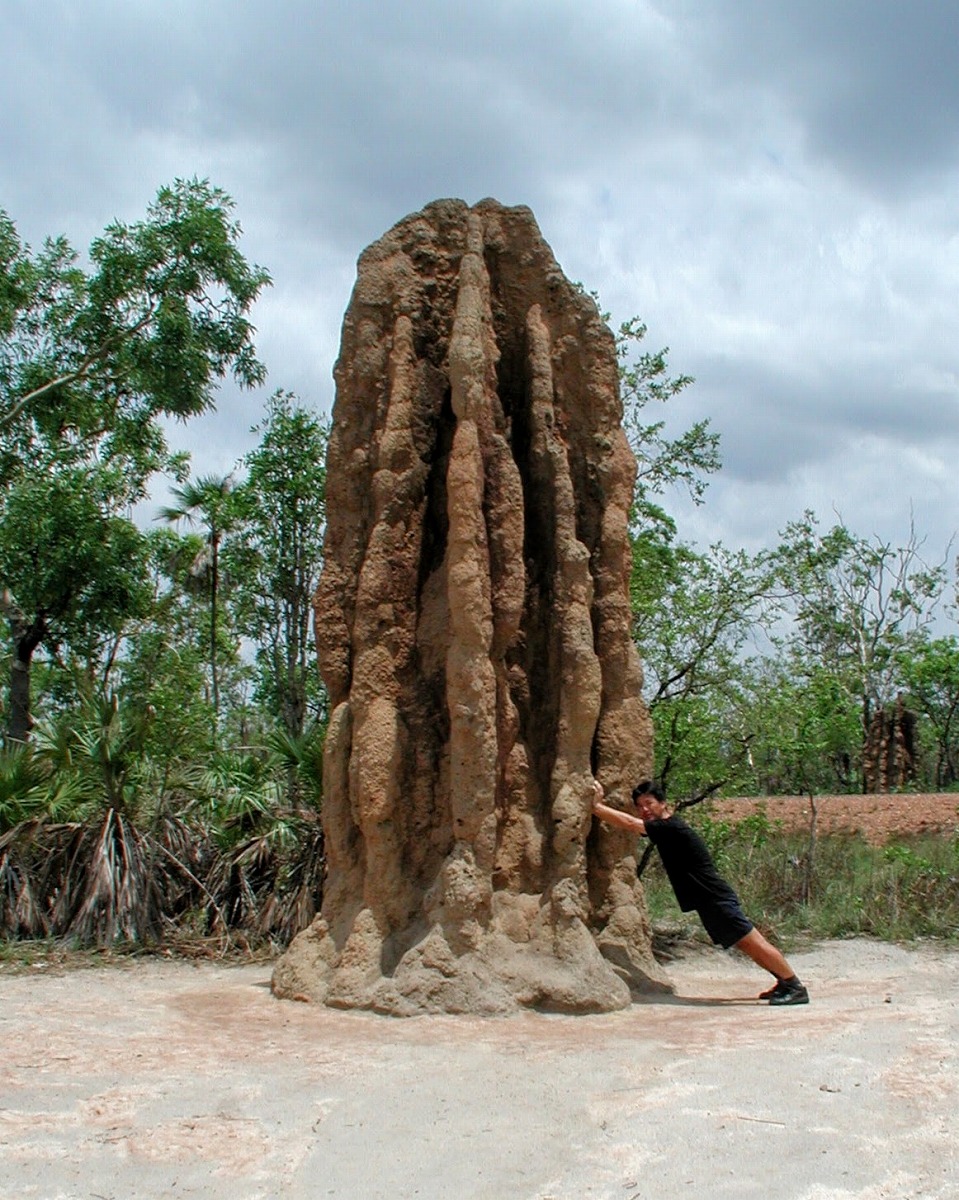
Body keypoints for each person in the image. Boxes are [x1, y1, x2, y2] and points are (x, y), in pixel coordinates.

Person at [592, 778, 809, 1005]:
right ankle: (784, 982)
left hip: (714, 897)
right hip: (707, 899)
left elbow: (630, 823)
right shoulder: (664, 828)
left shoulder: (670, 827)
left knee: (752, 941)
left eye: (649, 803)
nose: (644, 810)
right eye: (640, 806)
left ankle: (794, 986)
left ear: (664, 803)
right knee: (745, 943)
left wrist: (595, 807)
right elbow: (635, 824)